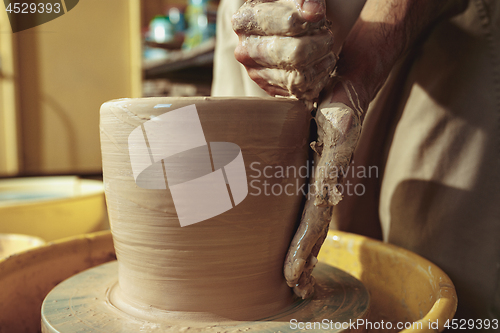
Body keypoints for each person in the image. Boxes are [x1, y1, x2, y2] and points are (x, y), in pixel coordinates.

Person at [212, 0, 500, 322]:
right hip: (257, 13)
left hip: (434, 21)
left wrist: (356, 80)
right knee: (244, 224)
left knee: (427, 254)